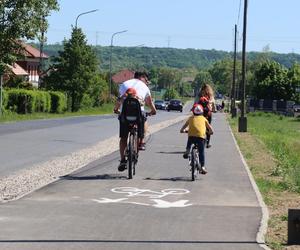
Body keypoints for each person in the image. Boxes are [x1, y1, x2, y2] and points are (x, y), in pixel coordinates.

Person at [114, 71, 156, 171]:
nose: (146, 82)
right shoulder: (145, 87)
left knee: (123, 138)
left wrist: (116, 110)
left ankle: (123, 159)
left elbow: (119, 100)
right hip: (138, 115)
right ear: (142, 77)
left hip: (125, 114)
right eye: (146, 80)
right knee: (144, 118)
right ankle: (141, 142)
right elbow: (149, 102)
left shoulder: (124, 84)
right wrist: (153, 111)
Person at [180, 104, 213, 174]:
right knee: (201, 152)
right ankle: (203, 167)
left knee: (190, 138)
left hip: (191, 136)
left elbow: (183, 127)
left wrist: (182, 130)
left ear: (193, 112)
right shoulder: (204, 119)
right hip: (201, 137)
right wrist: (210, 132)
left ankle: (187, 150)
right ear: (202, 112)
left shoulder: (190, 118)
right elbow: (211, 129)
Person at [197, 83, 216, 148]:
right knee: (208, 127)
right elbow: (213, 104)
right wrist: (213, 108)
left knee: (202, 126)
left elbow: (213, 103)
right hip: (206, 113)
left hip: (201, 113)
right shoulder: (209, 95)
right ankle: (207, 142)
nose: (205, 91)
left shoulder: (201, 95)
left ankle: (206, 142)